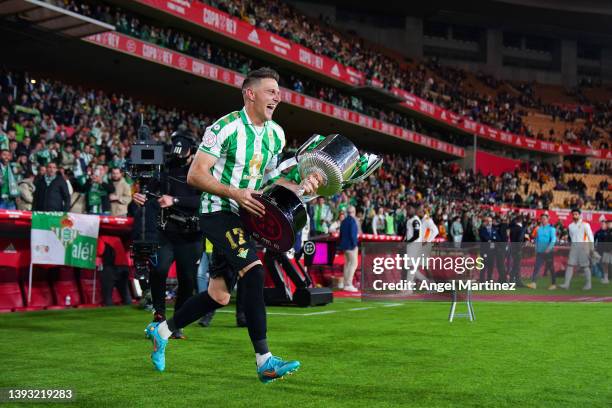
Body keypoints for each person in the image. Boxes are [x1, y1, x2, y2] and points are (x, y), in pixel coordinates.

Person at [144, 67, 322, 382]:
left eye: (278, 92)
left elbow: (270, 179)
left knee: (218, 295)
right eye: (270, 91)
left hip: (247, 215)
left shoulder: (275, 134)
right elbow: (195, 175)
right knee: (253, 271)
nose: (277, 96)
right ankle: (264, 360)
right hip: (218, 211)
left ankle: (162, 331)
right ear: (249, 93)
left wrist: (301, 188)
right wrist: (234, 192)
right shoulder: (224, 128)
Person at [134, 128, 203, 339]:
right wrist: (141, 197)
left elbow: (204, 201)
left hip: (191, 234)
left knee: (188, 280)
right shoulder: (167, 167)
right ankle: (159, 316)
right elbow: (151, 192)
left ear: (192, 150)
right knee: (158, 270)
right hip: (167, 231)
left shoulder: (202, 169)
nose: (177, 155)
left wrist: (175, 200)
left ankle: (175, 324)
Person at [559, 208, 594, 290]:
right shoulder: (570, 226)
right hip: (574, 247)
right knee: (570, 265)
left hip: (583, 247)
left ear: (579, 215)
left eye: (576, 214)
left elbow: (590, 237)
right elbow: (571, 237)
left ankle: (588, 284)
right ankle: (566, 284)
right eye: (573, 214)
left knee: (585, 266)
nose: (575, 216)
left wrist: (591, 248)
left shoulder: (585, 224)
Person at [527, 214, 557, 289]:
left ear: (548, 219)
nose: (543, 220)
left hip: (548, 252)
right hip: (540, 252)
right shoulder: (538, 229)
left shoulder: (551, 229)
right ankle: (533, 283)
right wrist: (536, 249)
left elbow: (553, 240)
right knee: (536, 267)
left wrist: (549, 248)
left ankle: (553, 284)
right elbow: (537, 240)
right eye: (541, 219)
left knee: (551, 268)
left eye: (544, 218)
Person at [339, 205, 359, 292]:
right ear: (354, 212)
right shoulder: (352, 221)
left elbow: (341, 234)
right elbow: (353, 234)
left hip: (344, 246)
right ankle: (348, 284)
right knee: (353, 264)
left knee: (347, 264)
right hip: (351, 246)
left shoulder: (343, 221)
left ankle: (345, 284)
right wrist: (355, 245)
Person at [508, 215, 528, 287]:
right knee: (516, 266)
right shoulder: (521, 229)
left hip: (512, 249)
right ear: (521, 221)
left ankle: (518, 281)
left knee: (516, 265)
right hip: (518, 249)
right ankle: (511, 281)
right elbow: (520, 239)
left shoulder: (512, 228)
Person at [593, 217, 610, 284]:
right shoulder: (598, 232)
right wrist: (594, 248)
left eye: (604, 223)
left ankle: (606, 278)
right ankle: (604, 276)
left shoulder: (608, 232)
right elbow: (594, 241)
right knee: (597, 262)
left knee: (605, 264)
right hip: (598, 250)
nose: (603, 224)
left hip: (606, 250)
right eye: (602, 222)